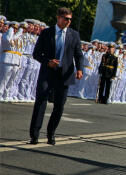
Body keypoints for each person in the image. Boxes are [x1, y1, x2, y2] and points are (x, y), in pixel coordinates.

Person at [28, 7, 83, 145]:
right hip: (47, 73)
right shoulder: (47, 33)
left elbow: (78, 55)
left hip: (64, 75)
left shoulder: (74, 35)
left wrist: (80, 69)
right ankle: (34, 135)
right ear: (58, 18)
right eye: (66, 19)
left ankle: (51, 133)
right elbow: (36, 53)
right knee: (41, 102)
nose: (69, 21)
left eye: (70, 19)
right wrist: (48, 62)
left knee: (59, 106)